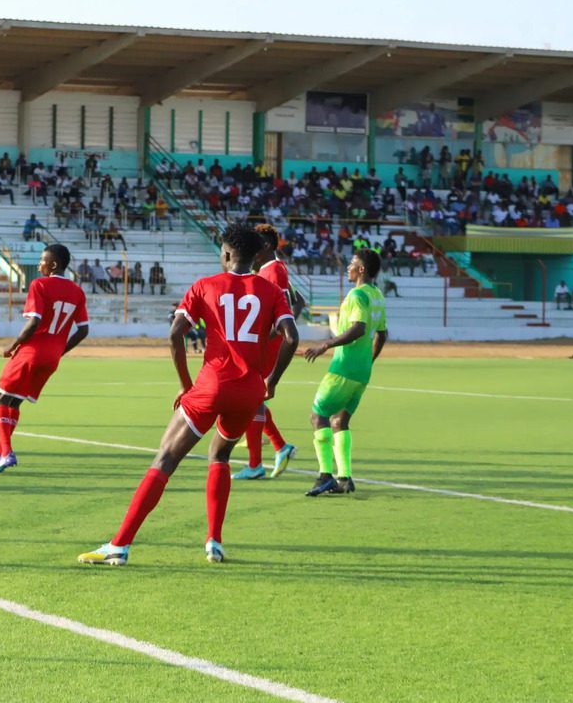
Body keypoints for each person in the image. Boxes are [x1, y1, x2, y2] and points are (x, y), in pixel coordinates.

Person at [77, 223, 299, 566]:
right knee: (220, 456)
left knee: (165, 459)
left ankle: (119, 545)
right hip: (249, 391)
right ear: (256, 257)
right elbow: (291, 337)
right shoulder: (270, 290)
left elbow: (175, 333)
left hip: (211, 385)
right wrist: (272, 380)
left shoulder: (205, 285)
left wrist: (185, 384)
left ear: (225, 254)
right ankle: (214, 541)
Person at [0, 244, 89, 474]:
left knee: (0, 398)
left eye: (43, 261)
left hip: (31, 352)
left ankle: (6, 453)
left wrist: (13, 344)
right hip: (52, 358)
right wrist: (58, 350)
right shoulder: (78, 291)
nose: (39, 265)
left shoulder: (40, 284)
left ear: (53, 264)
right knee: (13, 402)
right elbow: (83, 330)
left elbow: (33, 322)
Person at [303, 249, 389, 496]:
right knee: (340, 421)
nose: (348, 267)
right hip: (362, 372)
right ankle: (345, 478)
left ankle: (324, 475)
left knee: (317, 416)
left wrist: (325, 345)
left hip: (343, 368)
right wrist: (369, 360)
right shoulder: (378, 296)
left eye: (352, 263)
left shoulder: (357, 295)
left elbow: (359, 328)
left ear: (361, 269)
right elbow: (382, 334)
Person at [232, 225, 298, 481]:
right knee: (254, 399)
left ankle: (256, 464)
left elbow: (284, 310)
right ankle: (279, 447)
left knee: (252, 399)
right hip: (263, 343)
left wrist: (266, 337)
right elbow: (297, 301)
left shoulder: (275, 271)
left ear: (267, 246)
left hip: (266, 346)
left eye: (256, 244)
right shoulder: (268, 270)